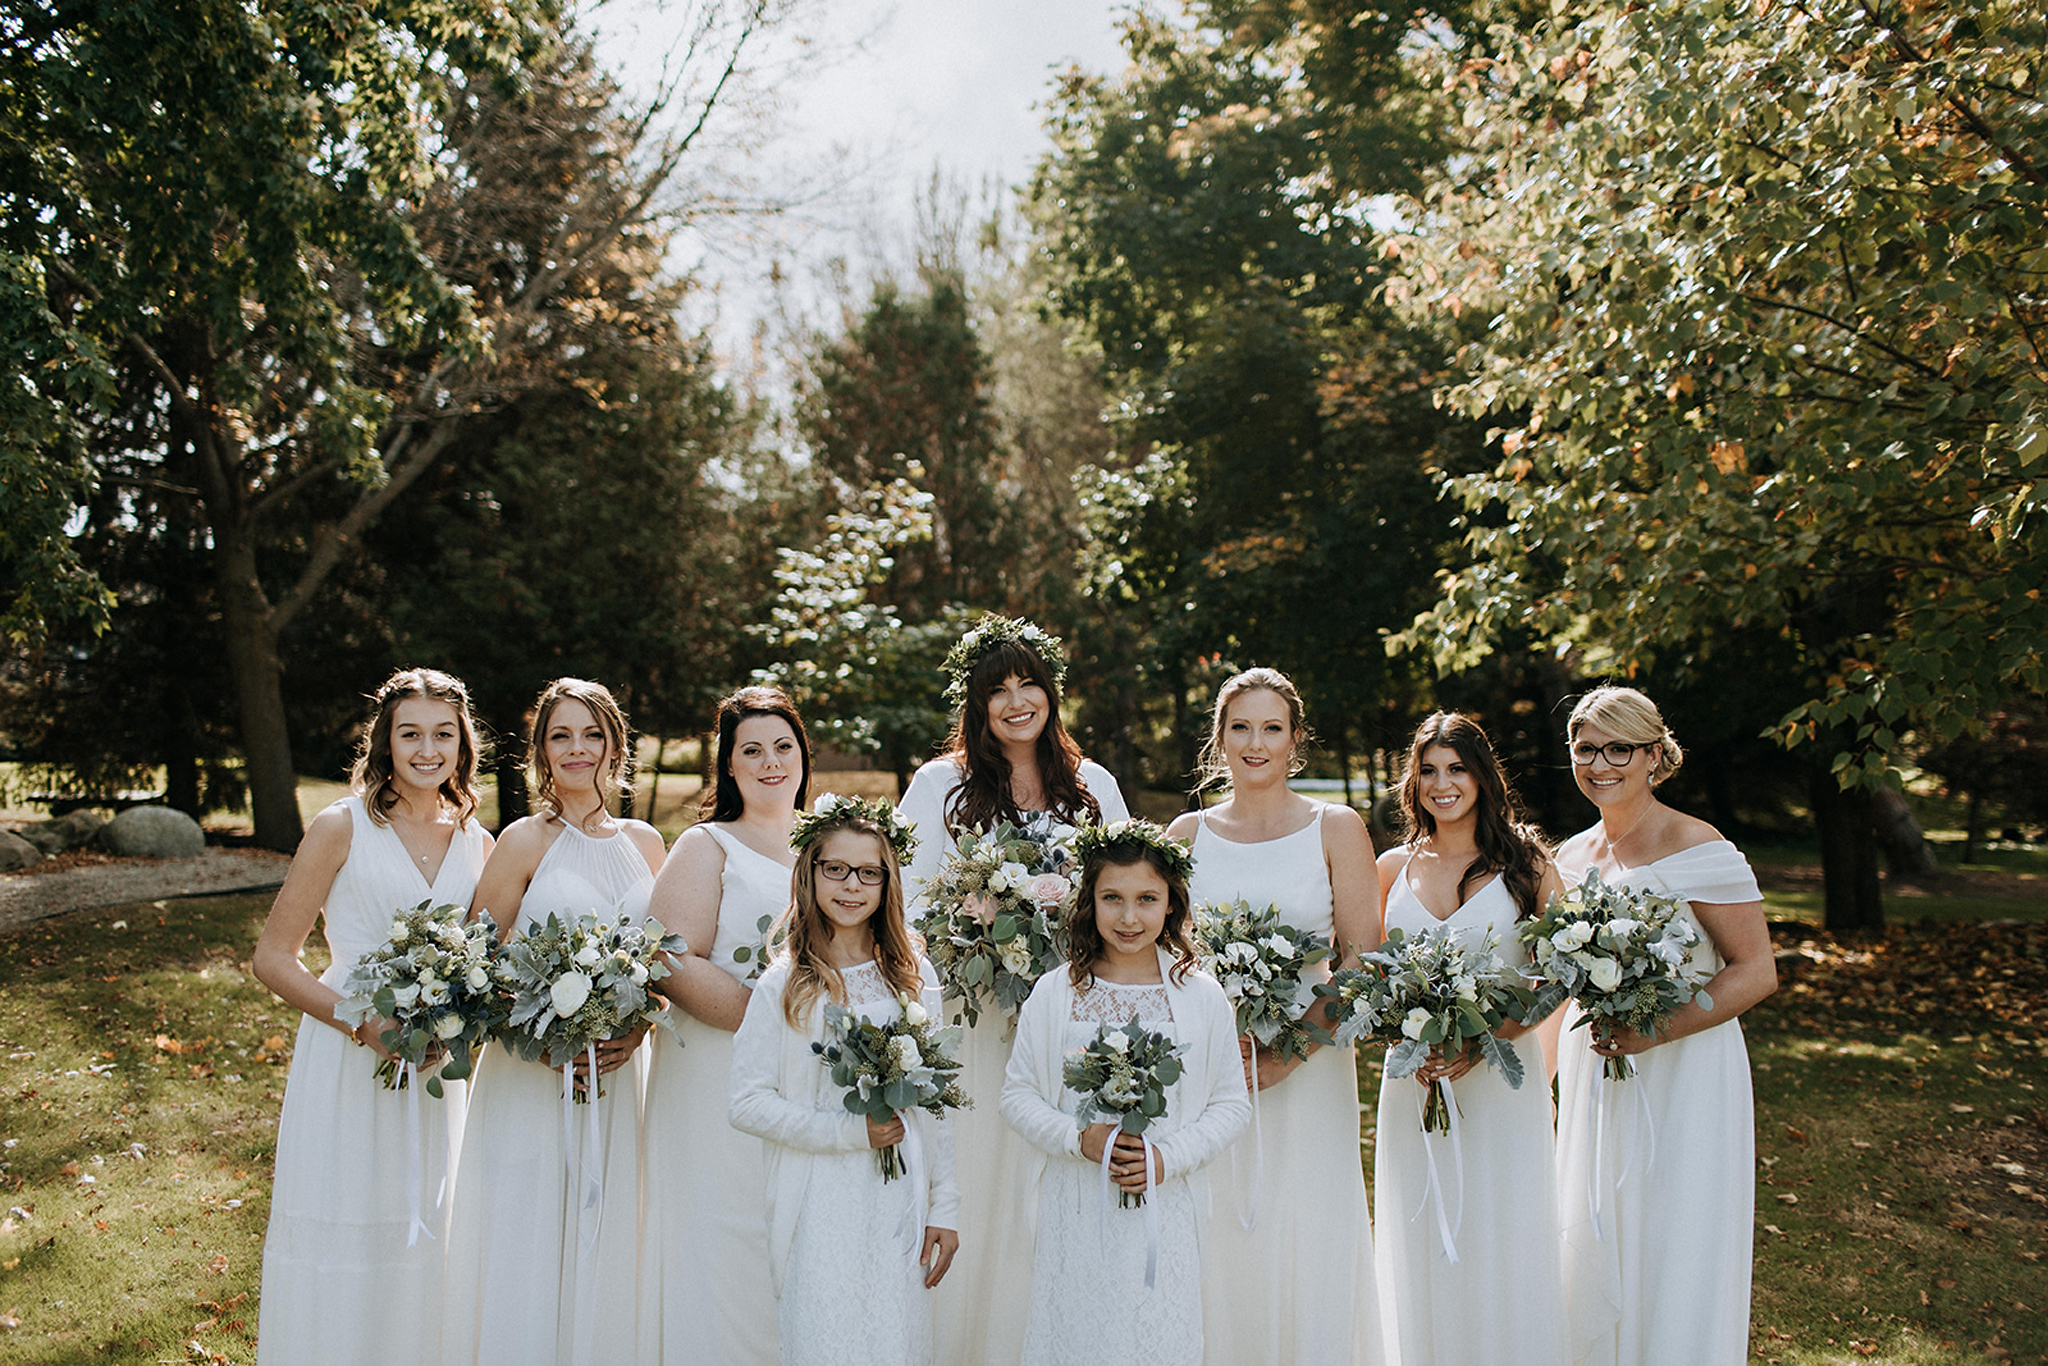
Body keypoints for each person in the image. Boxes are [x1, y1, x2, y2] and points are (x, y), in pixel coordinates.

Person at [896, 613, 1130, 1365]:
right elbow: (906, 904)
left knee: (1056, 1183)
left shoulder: (1093, 784)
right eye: (998, 689)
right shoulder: (940, 785)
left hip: (1073, 1018)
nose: (1017, 700)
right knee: (983, 1174)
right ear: (975, 703)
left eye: (1030, 682)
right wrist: (979, 934)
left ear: (1052, 692)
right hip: (977, 1018)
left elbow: (1129, 891)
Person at [253, 667, 494, 1366]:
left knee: (431, 1234)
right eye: (409, 734)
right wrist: (363, 1022)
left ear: (462, 743)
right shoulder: (341, 826)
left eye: (442, 734)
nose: (427, 749)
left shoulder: (477, 841)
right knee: (348, 1224)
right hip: (348, 1061)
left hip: (433, 1071)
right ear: (384, 743)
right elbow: (274, 958)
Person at [441, 678, 667, 1366]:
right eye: (560, 735)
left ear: (615, 746)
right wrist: (546, 1043)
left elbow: (665, 964)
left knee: (611, 1228)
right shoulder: (522, 841)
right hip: (532, 1074)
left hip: (620, 1074)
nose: (577, 749)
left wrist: (641, 1024)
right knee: (529, 1232)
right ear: (540, 751)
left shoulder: (650, 842)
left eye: (591, 734)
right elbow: (475, 969)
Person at [1166, 667, 1386, 1366]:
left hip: (1309, 1066)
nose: (1255, 744)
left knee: (1307, 1221)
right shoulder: (1185, 832)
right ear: (1219, 739)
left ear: (1296, 740)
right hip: (1207, 1067)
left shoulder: (1336, 826)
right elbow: (1159, 955)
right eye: (1240, 728)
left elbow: (1360, 959)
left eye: (1271, 728)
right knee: (1215, 1221)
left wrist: (1287, 1054)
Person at [1551, 686, 1776, 1366]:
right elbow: (1557, 987)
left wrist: (1661, 1029)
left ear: (1655, 755)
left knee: (1677, 1233)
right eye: (1586, 749)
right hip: (1598, 1067)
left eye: (1619, 748)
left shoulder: (1695, 843)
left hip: (1687, 1069)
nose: (1601, 764)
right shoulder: (1570, 857)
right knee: (1594, 1229)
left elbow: (1755, 969)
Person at [1002, 819, 1250, 1366]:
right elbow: (1017, 1096)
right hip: (1076, 1205)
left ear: (1171, 904)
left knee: (1158, 1338)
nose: (1129, 917)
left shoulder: (1201, 996)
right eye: (1112, 898)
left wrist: (1167, 1158)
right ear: (1089, 900)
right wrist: (1076, 1139)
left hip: (1166, 1207)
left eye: (1147, 899)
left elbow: (1232, 1104)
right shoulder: (1056, 990)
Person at [729, 796, 960, 1366]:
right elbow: (747, 1103)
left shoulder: (910, 975)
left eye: (868, 873)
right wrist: (850, 1133)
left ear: (887, 884)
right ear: (811, 873)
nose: (851, 885)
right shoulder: (784, 984)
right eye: (835, 868)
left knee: (895, 1339)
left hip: (900, 1197)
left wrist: (945, 1207)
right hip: (817, 1201)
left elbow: (935, 1106)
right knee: (825, 1339)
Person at [1372, 712, 1569, 1365]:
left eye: (1456, 768)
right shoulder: (1390, 868)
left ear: (1482, 775)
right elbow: (1365, 972)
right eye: (1427, 770)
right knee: (1419, 1223)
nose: (1441, 782)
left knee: (1501, 1228)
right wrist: (1398, 1025)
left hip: (1500, 1080)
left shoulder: (1528, 863)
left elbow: (1564, 970)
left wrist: (1494, 1034)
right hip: (1414, 1080)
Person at [639, 686, 805, 1366]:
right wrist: (777, 1021)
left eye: (783, 747)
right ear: (728, 766)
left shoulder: (832, 839)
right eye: (752, 750)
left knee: (789, 1237)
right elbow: (665, 955)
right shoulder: (706, 844)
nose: (771, 762)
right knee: (724, 1237)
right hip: (717, 1074)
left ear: (803, 755)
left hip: (807, 1080)